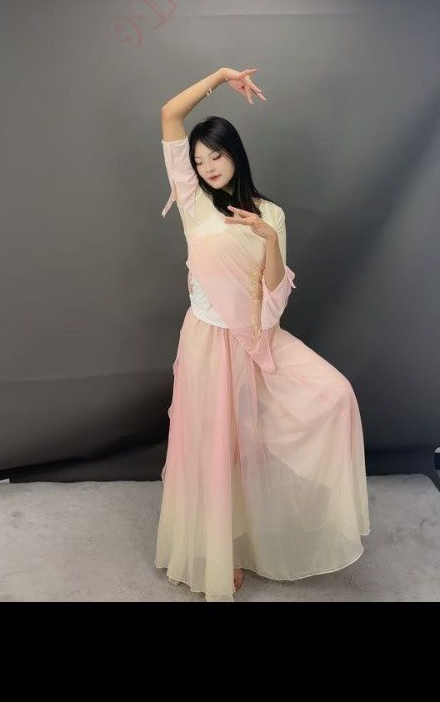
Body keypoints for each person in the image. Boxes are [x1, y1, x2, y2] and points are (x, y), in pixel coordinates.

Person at [155, 66, 370, 602]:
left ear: (235, 155)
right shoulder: (191, 201)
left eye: (216, 156)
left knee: (335, 394)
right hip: (207, 342)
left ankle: (296, 522)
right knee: (218, 448)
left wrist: (267, 237)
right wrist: (221, 76)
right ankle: (221, 552)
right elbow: (169, 114)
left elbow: (274, 296)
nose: (207, 168)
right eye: (198, 161)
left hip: (257, 338)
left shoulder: (271, 213)